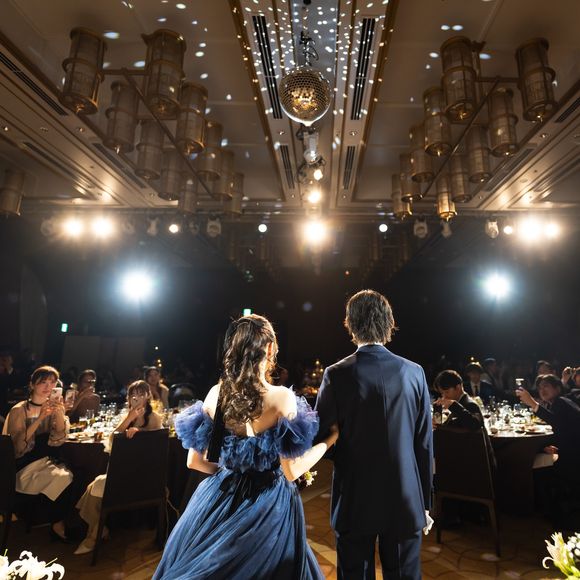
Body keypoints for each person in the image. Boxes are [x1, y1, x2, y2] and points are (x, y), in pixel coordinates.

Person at [153, 314, 338, 579]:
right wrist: (329, 441)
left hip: (218, 497)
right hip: (268, 504)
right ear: (270, 348)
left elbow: (194, 461)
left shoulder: (216, 393)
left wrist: (233, 473)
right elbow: (291, 471)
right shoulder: (281, 397)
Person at [315, 290, 433, 580]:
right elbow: (424, 445)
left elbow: (321, 437)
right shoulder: (414, 372)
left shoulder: (336, 374)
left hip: (355, 494)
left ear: (350, 324)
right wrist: (425, 503)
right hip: (405, 496)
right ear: (389, 323)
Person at [74, 380, 163, 555]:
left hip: (141, 474)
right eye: (132, 394)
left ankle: (94, 536)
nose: (135, 398)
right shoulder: (126, 415)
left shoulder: (154, 417)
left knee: (93, 489)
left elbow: (154, 447)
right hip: (121, 471)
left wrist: (140, 434)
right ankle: (98, 531)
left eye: (140, 394)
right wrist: (129, 419)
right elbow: (111, 441)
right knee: (93, 489)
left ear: (148, 396)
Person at [2, 366, 74, 541]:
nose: (48, 387)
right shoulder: (20, 409)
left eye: (52, 383)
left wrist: (59, 413)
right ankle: (56, 523)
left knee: (71, 475)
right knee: (63, 477)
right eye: (43, 382)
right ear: (32, 384)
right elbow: (16, 446)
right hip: (23, 466)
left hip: (47, 461)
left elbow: (59, 438)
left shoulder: (54, 407)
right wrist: (41, 417)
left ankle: (55, 521)